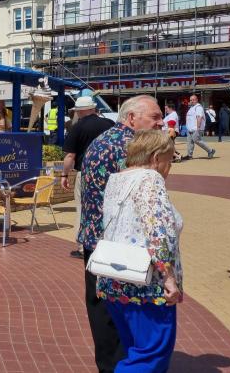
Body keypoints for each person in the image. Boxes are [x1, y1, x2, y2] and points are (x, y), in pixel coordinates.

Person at [77, 94, 163, 373]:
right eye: (155, 117)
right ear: (131, 118)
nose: (160, 123)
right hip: (118, 244)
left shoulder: (102, 140)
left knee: (101, 310)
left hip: (95, 240)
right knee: (122, 314)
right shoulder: (130, 147)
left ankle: (109, 365)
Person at [98, 129, 182, 372]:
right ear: (156, 158)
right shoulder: (150, 178)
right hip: (146, 283)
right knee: (150, 354)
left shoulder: (117, 179)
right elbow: (158, 229)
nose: (170, 167)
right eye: (169, 160)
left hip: (114, 278)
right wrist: (168, 277)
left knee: (134, 347)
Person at [61, 96, 114, 259]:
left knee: (83, 210)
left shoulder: (77, 127)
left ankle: (83, 247)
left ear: (79, 111)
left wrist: (64, 174)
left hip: (86, 174)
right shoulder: (109, 124)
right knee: (107, 209)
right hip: (109, 174)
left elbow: (70, 155)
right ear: (93, 108)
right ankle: (107, 243)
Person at [183, 94, 214, 160]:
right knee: (190, 142)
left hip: (196, 128)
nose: (192, 101)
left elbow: (199, 117)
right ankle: (189, 155)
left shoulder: (198, 107)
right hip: (190, 128)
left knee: (196, 140)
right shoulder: (191, 108)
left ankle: (210, 150)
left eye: (193, 100)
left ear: (197, 100)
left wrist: (198, 128)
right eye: (191, 100)